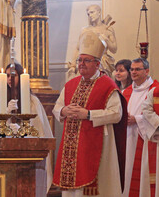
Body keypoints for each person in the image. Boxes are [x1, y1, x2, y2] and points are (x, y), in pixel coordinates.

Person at [53, 30, 127, 197]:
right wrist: (64, 110)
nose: (81, 64)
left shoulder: (107, 85)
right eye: (80, 60)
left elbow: (116, 114)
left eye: (86, 61)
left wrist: (88, 115)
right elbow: (56, 108)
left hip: (97, 143)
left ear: (98, 63)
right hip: (70, 147)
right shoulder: (71, 84)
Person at [0, 63, 53, 196]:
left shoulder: (32, 101)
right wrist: (6, 117)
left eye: (14, 75)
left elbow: (39, 131)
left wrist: (22, 131)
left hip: (27, 153)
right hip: (5, 153)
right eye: (7, 76)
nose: (9, 79)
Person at [122, 58, 159, 197]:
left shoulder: (155, 90)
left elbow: (153, 114)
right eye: (132, 69)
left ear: (147, 71)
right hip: (127, 137)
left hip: (145, 138)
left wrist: (136, 119)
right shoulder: (126, 91)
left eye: (137, 69)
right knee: (127, 170)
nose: (133, 72)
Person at [67, 4, 117, 80]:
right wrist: (73, 66)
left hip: (102, 61)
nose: (90, 15)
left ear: (99, 12)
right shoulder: (85, 30)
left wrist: (106, 39)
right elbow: (78, 49)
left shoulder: (108, 29)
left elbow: (114, 49)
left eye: (92, 12)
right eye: (88, 14)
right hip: (85, 61)